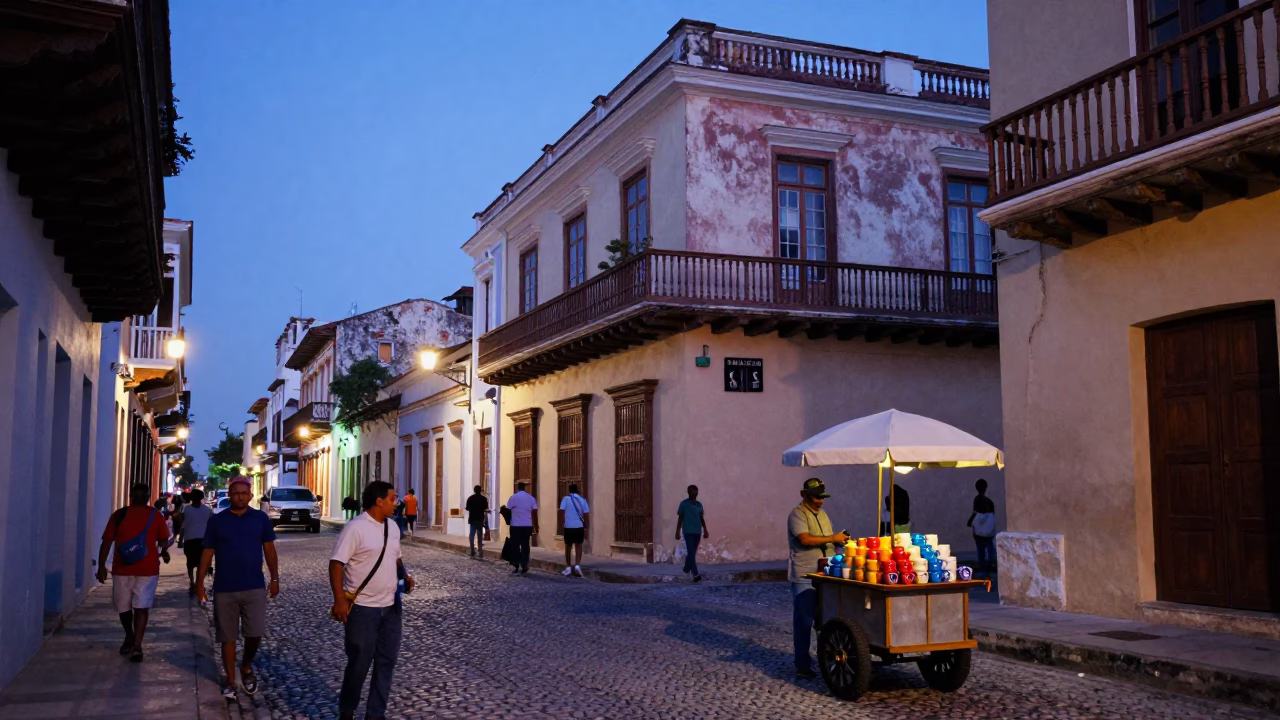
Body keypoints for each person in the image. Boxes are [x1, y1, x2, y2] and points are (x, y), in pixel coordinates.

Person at [330, 481, 414, 720]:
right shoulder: (356, 528)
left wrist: (404, 575)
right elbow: (336, 563)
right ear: (379, 502)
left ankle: (375, 714)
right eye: (392, 498)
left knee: (386, 663)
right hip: (363, 610)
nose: (395, 502)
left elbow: (395, 557)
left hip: (391, 607)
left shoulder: (393, 527)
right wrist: (339, 601)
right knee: (359, 663)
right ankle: (347, 711)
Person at [196, 477, 280, 700]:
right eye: (236, 493)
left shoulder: (260, 519)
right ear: (229, 495)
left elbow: (270, 551)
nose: (240, 496)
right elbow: (207, 553)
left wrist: (274, 579)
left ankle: (246, 666)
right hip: (225, 588)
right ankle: (231, 681)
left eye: (244, 493)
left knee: (255, 633)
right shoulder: (217, 521)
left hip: (254, 586)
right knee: (227, 637)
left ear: (250, 495)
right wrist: (199, 584)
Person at [96, 483, 171, 663]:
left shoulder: (119, 515)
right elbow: (163, 541)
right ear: (147, 497)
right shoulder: (155, 516)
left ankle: (133, 640)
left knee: (125, 607)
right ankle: (135, 642)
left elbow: (106, 542)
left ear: (131, 496)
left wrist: (101, 566)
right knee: (140, 608)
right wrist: (164, 547)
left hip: (125, 569)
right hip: (145, 569)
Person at [787, 478, 849, 679]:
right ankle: (802, 665)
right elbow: (805, 539)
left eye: (822, 497)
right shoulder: (797, 515)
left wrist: (843, 544)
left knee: (826, 620)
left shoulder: (823, 514)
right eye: (816, 497)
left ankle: (827, 659)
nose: (820, 501)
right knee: (804, 621)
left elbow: (830, 540)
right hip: (805, 575)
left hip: (825, 575)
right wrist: (833, 538)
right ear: (803, 494)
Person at [182, 489, 213, 596]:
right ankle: (197, 582)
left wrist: (181, 539)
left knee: (190, 563)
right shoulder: (207, 510)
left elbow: (183, 525)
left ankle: (193, 582)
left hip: (190, 540)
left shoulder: (186, 509)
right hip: (202, 540)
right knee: (200, 563)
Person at [675, 485, 709, 582]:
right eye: (692, 491)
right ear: (688, 492)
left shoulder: (699, 505)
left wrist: (705, 530)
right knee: (691, 552)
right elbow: (680, 518)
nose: (694, 493)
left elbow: (701, 518)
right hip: (688, 531)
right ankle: (696, 575)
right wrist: (677, 531)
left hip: (697, 532)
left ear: (697, 493)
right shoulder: (684, 504)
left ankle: (686, 569)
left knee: (692, 553)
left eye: (696, 491)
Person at [968, 478, 998, 578]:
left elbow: (975, 513)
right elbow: (992, 515)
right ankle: (992, 566)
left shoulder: (977, 500)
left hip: (979, 532)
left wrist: (970, 522)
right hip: (988, 532)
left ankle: (983, 570)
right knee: (990, 548)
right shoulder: (989, 502)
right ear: (986, 488)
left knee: (981, 550)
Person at [505, 482, 538, 575]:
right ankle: (524, 564)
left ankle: (516, 564)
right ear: (525, 488)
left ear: (517, 488)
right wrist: (536, 525)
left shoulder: (513, 497)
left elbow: (508, 509)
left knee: (515, 545)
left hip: (515, 525)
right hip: (527, 525)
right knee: (525, 545)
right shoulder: (531, 498)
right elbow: (534, 512)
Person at [558, 484, 590, 577]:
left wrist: (561, 526)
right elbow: (586, 514)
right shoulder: (582, 500)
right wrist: (587, 525)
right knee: (578, 546)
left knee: (568, 547)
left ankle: (568, 567)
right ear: (577, 491)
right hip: (579, 527)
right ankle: (577, 565)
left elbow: (561, 512)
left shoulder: (565, 499)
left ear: (569, 490)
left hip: (568, 527)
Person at [465, 486, 489, 558]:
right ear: (480, 490)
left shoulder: (470, 498)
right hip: (480, 519)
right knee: (480, 535)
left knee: (472, 535)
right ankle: (480, 552)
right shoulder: (484, 499)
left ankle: (472, 551)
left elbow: (467, 508)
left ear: (474, 490)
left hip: (472, 519)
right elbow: (485, 508)